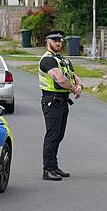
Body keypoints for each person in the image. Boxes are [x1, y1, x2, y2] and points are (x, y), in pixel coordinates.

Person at [38, 30, 82, 181]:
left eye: (60, 40)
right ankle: (48, 169)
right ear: (47, 42)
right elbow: (60, 79)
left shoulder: (62, 59)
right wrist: (74, 88)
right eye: (55, 40)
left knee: (59, 135)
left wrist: (79, 85)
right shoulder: (48, 60)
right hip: (51, 100)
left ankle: (54, 166)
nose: (58, 43)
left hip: (62, 101)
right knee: (52, 135)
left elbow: (74, 76)